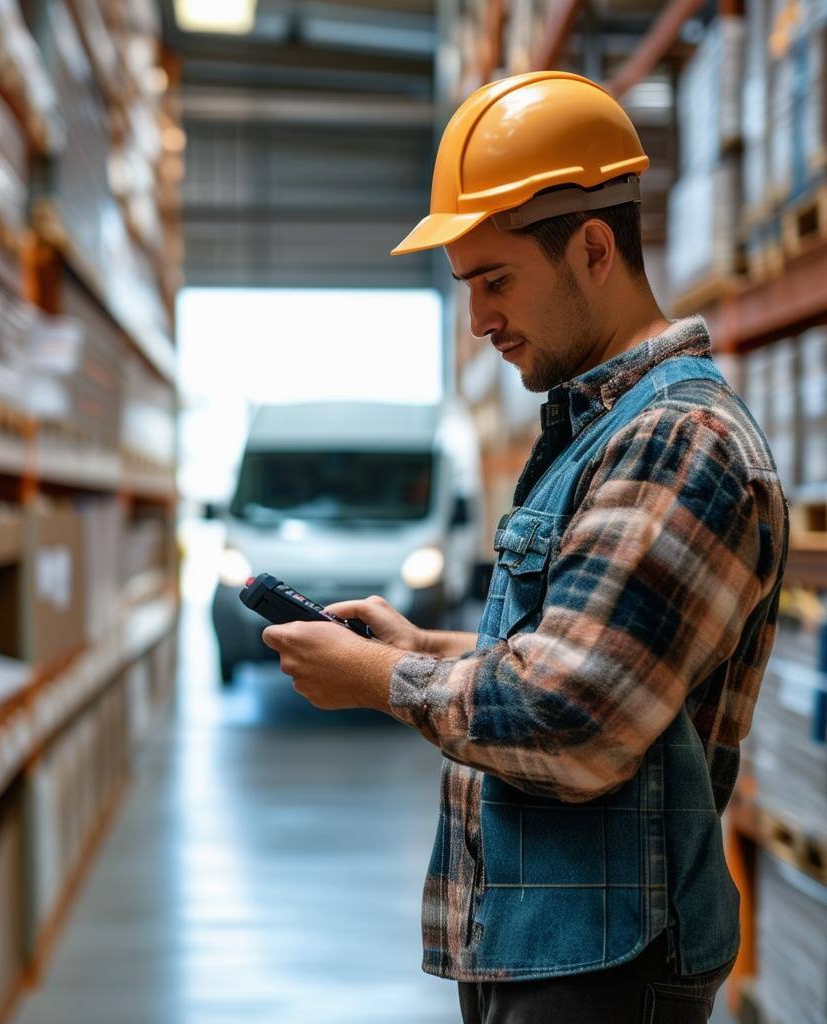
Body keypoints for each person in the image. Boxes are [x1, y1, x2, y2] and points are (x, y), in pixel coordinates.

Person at [260, 71, 789, 1023]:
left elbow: (576, 721)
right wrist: (419, 650)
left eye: (495, 281)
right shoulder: (601, 430)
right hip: (553, 947)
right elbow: (589, 655)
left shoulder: (677, 442)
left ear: (593, 249)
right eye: (467, 288)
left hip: (606, 971)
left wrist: (377, 682)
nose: (480, 320)